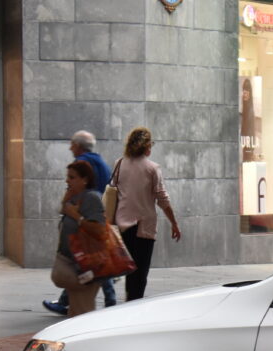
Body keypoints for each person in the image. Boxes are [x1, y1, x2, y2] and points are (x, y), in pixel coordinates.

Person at [43, 130, 117, 314]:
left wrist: (74, 213)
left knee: (91, 265)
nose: (70, 148)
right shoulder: (100, 162)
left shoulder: (83, 165)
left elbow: (77, 202)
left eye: (71, 177)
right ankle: (103, 300)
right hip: (95, 218)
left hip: (86, 223)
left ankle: (108, 301)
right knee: (94, 264)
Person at [114, 127, 181, 301]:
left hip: (123, 227)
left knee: (130, 273)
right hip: (142, 228)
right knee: (140, 274)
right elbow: (162, 199)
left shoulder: (119, 163)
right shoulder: (152, 168)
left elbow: (116, 189)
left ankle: (129, 303)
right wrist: (174, 223)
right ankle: (134, 307)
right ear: (146, 146)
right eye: (151, 143)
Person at [49, 161, 105, 317]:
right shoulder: (76, 198)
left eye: (72, 177)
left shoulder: (92, 198)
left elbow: (99, 229)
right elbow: (64, 213)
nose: (67, 181)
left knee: (82, 313)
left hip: (87, 266)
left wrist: (77, 217)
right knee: (75, 313)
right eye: (68, 177)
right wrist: (65, 201)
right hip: (76, 265)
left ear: (85, 180)